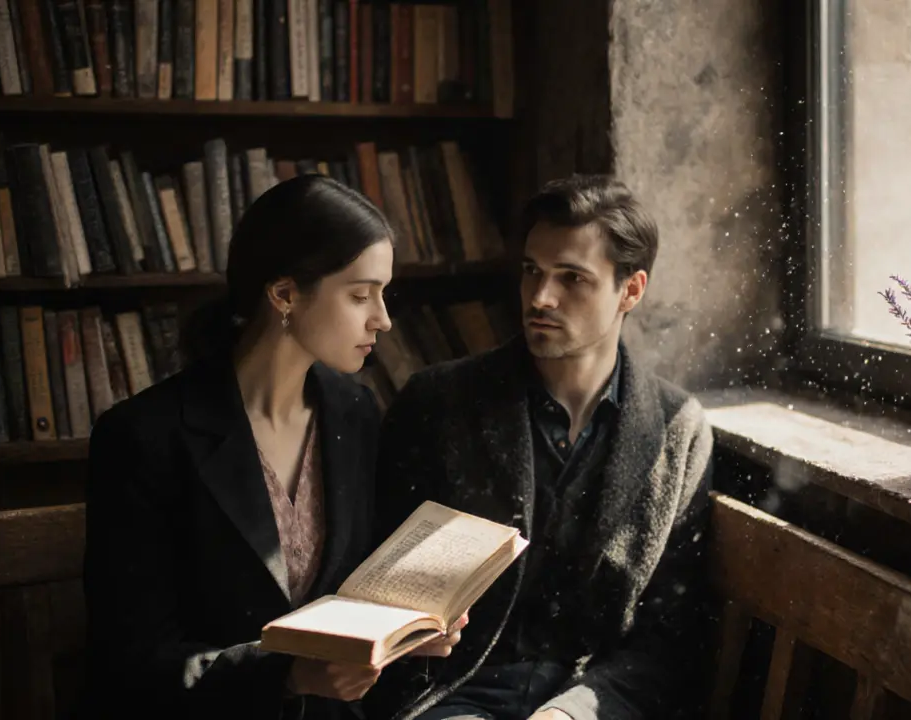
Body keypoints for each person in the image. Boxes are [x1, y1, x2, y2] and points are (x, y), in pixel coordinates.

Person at [82, 175, 464, 720]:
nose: (382, 318)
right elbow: (130, 659)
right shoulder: (144, 437)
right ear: (284, 294)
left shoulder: (354, 413)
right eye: (360, 295)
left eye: (383, 293)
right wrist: (285, 673)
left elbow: (357, 601)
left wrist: (410, 636)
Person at [372, 174, 714, 720]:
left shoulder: (677, 431)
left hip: (593, 703)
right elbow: (375, 598)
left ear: (631, 290)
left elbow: (667, 641)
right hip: (451, 696)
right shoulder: (437, 403)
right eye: (532, 271)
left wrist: (572, 714)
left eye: (572, 278)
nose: (540, 297)